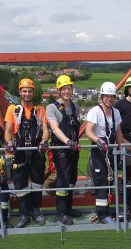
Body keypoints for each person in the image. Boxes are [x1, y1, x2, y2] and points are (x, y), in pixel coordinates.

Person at [4, 78, 49, 227]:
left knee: (37, 183)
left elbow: (45, 131)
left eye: (30, 91)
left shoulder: (40, 110)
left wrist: (43, 141)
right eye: (24, 91)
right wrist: (9, 143)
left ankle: (36, 210)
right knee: (20, 185)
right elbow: (8, 130)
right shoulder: (13, 110)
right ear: (20, 92)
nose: (27, 94)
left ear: (33, 92)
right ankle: (24, 214)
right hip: (20, 152)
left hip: (36, 151)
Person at [85, 81, 125, 224]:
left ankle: (107, 210)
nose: (109, 99)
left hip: (111, 149)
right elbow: (88, 131)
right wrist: (98, 140)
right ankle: (102, 215)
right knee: (101, 180)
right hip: (99, 150)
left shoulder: (116, 113)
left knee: (110, 180)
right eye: (106, 96)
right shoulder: (95, 111)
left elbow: (119, 132)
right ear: (102, 97)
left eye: (111, 96)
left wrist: (121, 150)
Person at [46, 75, 82, 226]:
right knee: (63, 180)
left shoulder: (75, 107)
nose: (67, 91)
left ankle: (68, 208)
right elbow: (54, 128)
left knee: (72, 179)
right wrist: (67, 141)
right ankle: (61, 212)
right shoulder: (52, 108)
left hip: (73, 149)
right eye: (64, 89)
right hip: (61, 149)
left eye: (69, 88)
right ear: (59, 90)